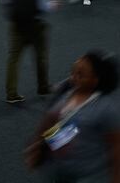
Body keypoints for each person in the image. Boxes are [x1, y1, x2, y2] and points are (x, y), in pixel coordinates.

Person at [24, 51, 119, 182]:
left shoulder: (106, 109)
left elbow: (116, 148)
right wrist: (40, 145)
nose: (73, 77)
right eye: (73, 72)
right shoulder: (67, 94)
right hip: (59, 170)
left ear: (95, 80)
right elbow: (59, 125)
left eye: (80, 75)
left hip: (88, 175)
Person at [1, 0, 56, 103]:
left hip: (17, 23)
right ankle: (43, 86)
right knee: (41, 57)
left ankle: (11, 93)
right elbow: (45, 7)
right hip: (36, 25)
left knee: (13, 58)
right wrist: (53, 4)